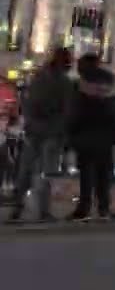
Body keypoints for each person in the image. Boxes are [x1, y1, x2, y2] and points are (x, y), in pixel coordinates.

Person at [8, 48, 74, 222]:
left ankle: (17, 208)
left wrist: (29, 123)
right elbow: (67, 111)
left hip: (33, 130)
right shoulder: (64, 82)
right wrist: (62, 131)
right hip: (51, 132)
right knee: (45, 173)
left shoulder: (38, 78)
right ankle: (43, 211)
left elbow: (27, 103)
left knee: (26, 170)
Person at [68, 54, 115, 221]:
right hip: (104, 134)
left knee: (87, 174)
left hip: (86, 133)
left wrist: (71, 132)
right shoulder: (111, 82)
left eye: (80, 64)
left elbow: (74, 111)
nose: (77, 67)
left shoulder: (80, 84)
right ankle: (103, 207)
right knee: (103, 173)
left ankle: (85, 207)